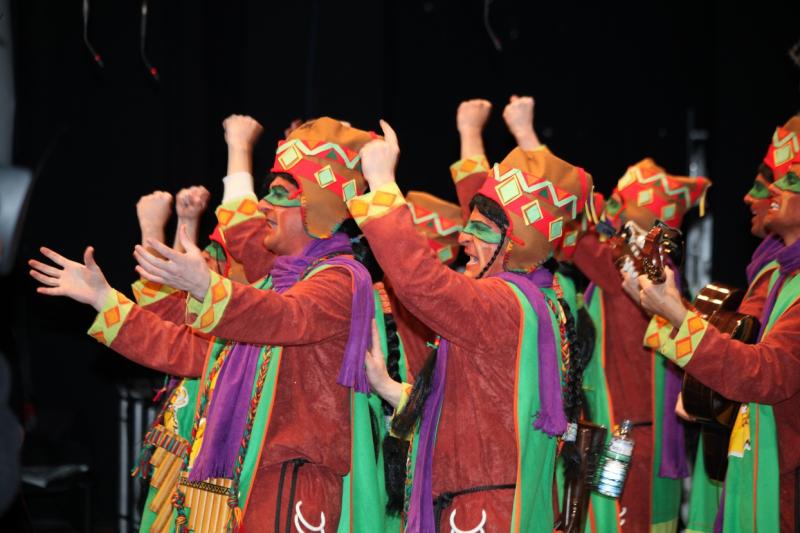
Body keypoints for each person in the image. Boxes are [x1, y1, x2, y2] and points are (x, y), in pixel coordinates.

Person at [30, 117, 384, 532]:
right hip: (247, 483)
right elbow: (183, 346)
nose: (264, 206)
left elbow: (287, 317)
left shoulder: (341, 281)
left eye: (278, 194)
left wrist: (205, 283)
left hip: (294, 492)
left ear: (317, 207)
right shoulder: (272, 285)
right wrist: (102, 299)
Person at [354, 120, 594, 531]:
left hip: (482, 516)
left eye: (481, 229)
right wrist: (389, 388)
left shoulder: (505, 302)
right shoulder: (532, 304)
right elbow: (475, 413)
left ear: (516, 242)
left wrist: (381, 184)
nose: (463, 237)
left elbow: (421, 284)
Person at [572, 158, 711, 531]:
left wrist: (529, 142)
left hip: (632, 443)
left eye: (621, 200)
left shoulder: (638, 269)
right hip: (641, 439)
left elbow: (571, 237)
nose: (611, 205)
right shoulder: (648, 269)